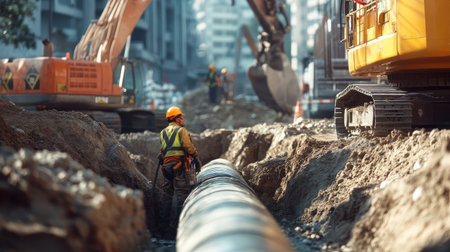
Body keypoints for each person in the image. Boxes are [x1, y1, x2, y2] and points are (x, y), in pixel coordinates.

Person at [158, 106, 202, 237]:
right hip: (179, 167)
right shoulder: (181, 131)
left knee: (166, 194)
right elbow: (187, 146)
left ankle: (162, 226)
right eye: (180, 117)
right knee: (182, 195)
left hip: (166, 168)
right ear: (175, 119)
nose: (182, 119)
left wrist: (161, 157)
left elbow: (164, 150)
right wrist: (196, 157)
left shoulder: (163, 132)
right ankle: (179, 227)